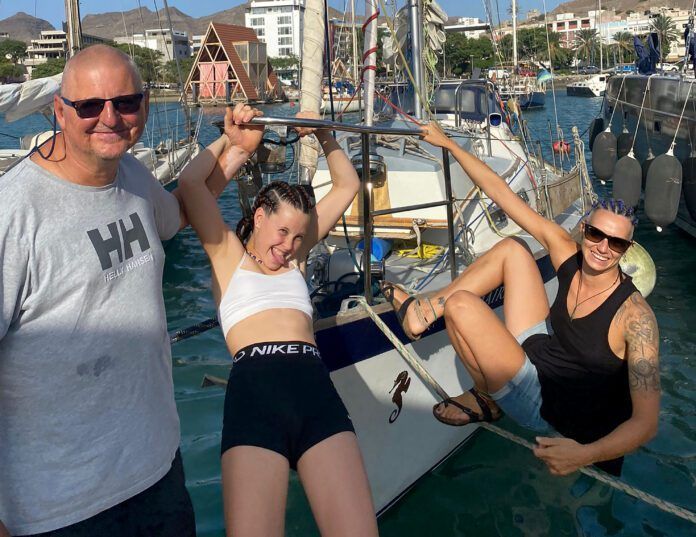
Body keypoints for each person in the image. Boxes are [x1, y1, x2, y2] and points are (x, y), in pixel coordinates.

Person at [0, 45, 262, 535]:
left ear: (142, 106)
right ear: (59, 110)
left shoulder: (135, 177)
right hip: (59, 507)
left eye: (125, 103)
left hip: (157, 471)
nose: (110, 118)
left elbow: (182, 213)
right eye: (89, 106)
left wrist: (238, 150)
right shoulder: (14, 214)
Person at [381, 123, 660, 477]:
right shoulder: (568, 253)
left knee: (462, 305)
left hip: (548, 402)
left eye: (616, 243)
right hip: (542, 350)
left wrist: (585, 454)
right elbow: (501, 194)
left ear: (628, 249)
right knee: (513, 249)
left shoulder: (636, 318)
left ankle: (486, 398)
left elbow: (646, 422)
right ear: (584, 229)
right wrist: (449, 144)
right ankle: (424, 314)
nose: (603, 248)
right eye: (595, 234)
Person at [177, 112, 379, 537]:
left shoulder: (297, 259)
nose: (287, 248)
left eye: (297, 238)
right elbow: (192, 185)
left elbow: (346, 185)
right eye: (282, 232)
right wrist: (232, 143)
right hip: (256, 394)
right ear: (260, 216)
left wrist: (324, 133)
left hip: (314, 390)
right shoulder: (227, 256)